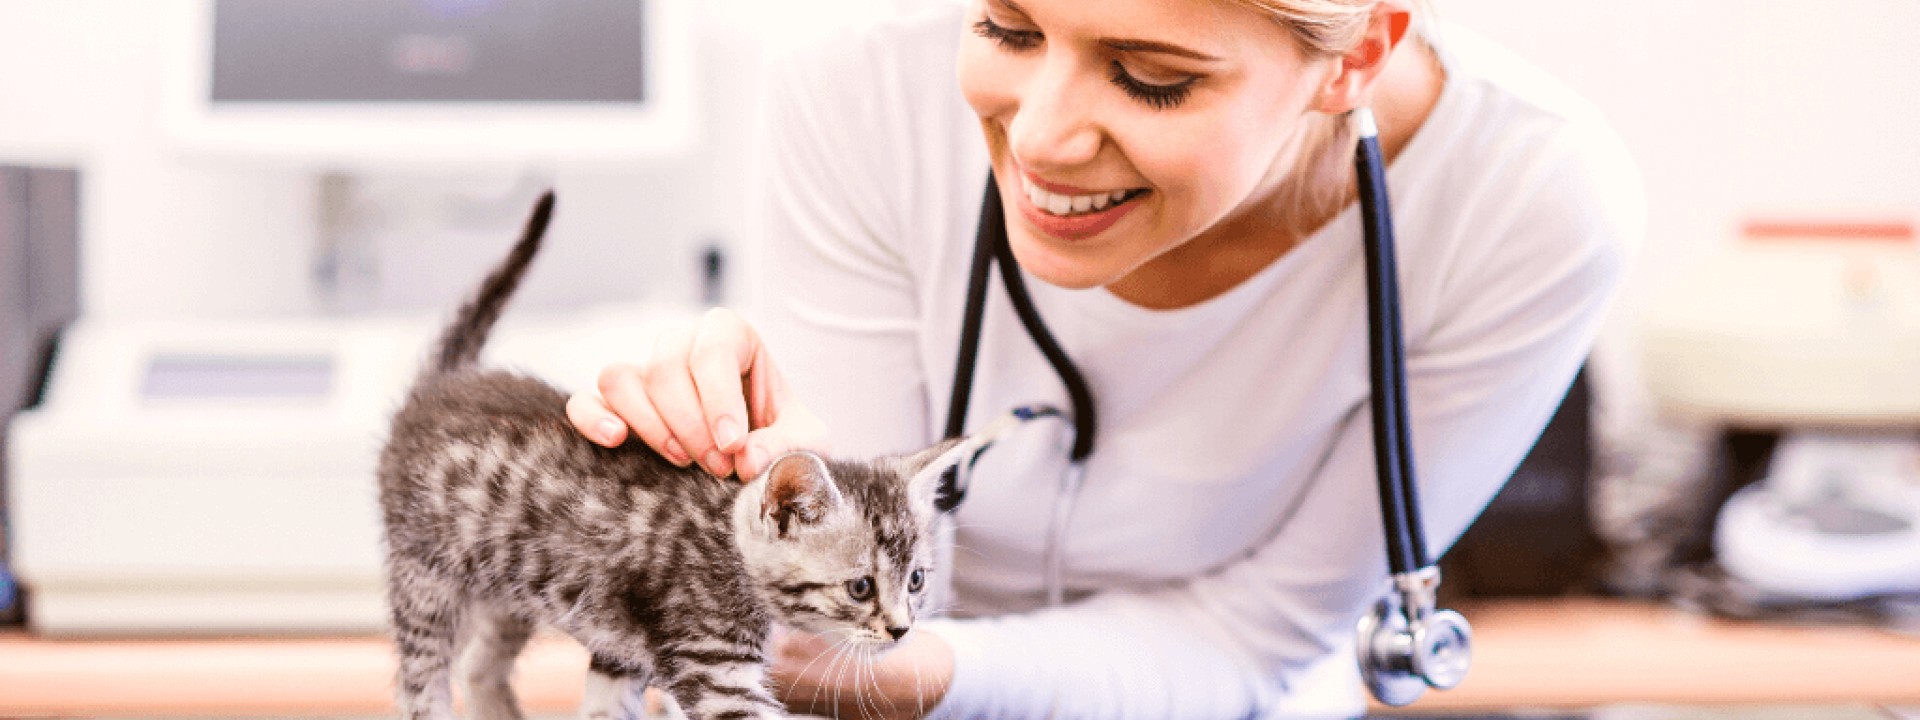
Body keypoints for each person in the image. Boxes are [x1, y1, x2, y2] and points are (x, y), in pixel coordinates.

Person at [567, 0, 1643, 716]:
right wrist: (710, 496)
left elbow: (1253, 635)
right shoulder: (858, 91)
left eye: (1150, 78)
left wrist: (922, 675)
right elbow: (837, 614)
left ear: (1359, 53)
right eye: (1007, 25)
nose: (1039, 140)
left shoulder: (1527, 201)